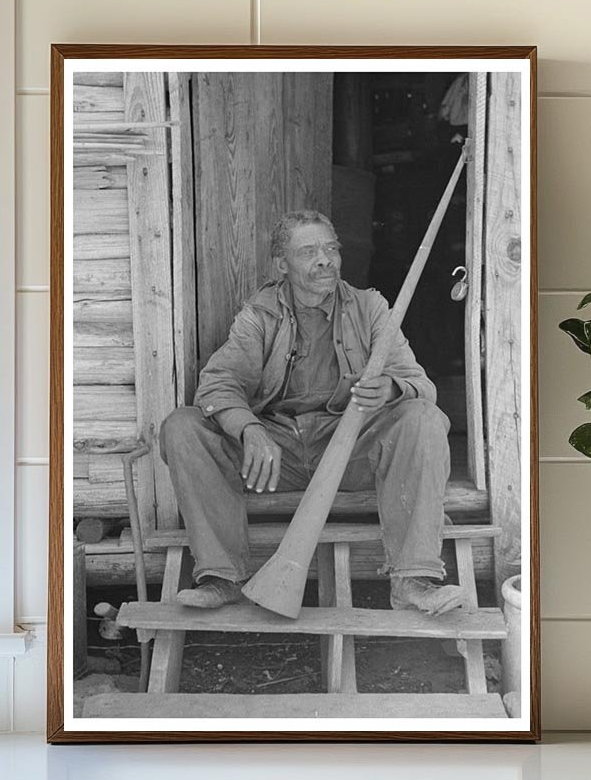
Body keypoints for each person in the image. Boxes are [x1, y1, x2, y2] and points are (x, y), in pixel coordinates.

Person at [158, 210, 463, 616]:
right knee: (182, 426)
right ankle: (222, 577)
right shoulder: (259, 314)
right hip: (274, 458)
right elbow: (217, 384)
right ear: (282, 265)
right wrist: (249, 429)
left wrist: (392, 388)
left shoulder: (370, 307)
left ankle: (413, 580)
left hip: (350, 452)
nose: (324, 260)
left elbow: (421, 385)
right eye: (308, 252)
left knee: (422, 417)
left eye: (330, 249)